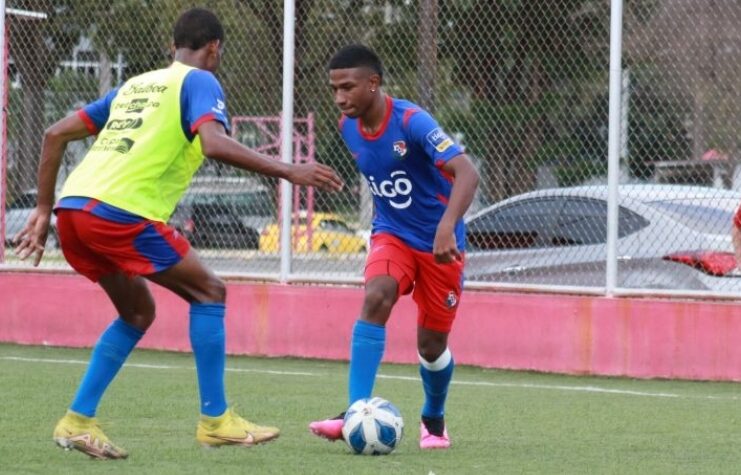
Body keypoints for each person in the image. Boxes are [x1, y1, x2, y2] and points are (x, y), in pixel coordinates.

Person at [14, 8, 343, 460]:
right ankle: (216, 421)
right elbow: (213, 143)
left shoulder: (135, 85)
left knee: (137, 312)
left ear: (173, 47)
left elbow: (54, 134)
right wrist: (288, 169)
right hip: (120, 211)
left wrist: (42, 208)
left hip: (73, 210)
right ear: (214, 48)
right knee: (209, 292)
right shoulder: (200, 80)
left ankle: (77, 421)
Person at [308, 44, 479, 450]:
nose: (340, 98)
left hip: (440, 245)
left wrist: (446, 226)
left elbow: (467, 173)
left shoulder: (411, 121)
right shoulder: (347, 126)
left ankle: (433, 418)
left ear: (373, 83)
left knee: (431, 346)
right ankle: (353, 413)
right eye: (334, 89)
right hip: (392, 234)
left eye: (347, 87)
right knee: (377, 296)